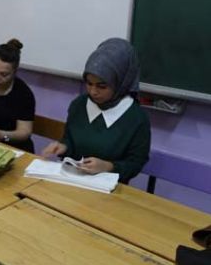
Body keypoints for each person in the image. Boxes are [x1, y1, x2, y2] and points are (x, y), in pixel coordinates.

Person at [42, 38, 151, 184]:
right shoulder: (79, 105)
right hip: (72, 180)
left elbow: (135, 163)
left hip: (108, 188)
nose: (93, 91)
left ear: (121, 83)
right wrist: (63, 147)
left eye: (102, 86)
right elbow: (70, 141)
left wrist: (108, 166)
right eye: (89, 83)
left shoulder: (137, 118)